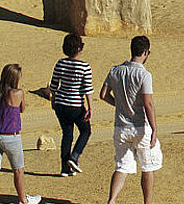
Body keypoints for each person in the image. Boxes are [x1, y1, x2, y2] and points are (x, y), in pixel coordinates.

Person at [101, 35, 159, 204]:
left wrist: (119, 105)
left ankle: (111, 200)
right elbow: (148, 103)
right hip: (140, 127)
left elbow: (103, 94)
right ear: (146, 52)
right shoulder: (144, 74)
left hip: (121, 127)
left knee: (122, 166)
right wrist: (154, 129)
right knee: (147, 166)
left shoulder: (115, 70)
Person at [0, 63, 42, 204]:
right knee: (18, 171)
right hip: (11, 138)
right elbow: (22, 109)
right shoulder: (17, 93)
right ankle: (23, 200)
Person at [48, 34, 94, 176]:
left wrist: (53, 100)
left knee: (67, 134)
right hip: (75, 105)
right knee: (85, 131)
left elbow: (54, 85)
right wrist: (90, 107)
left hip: (61, 104)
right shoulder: (84, 67)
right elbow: (87, 89)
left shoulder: (60, 63)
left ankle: (65, 167)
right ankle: (74, 157)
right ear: (79, 49)